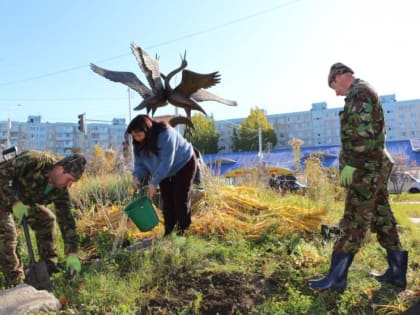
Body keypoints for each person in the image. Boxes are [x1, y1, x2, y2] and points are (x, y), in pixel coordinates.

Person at [308, 63, 408, 291]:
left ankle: (336, 279)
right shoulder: (362, 91)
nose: (335, 92)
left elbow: (362, 135)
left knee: (354, 219)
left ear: (340, 76)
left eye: (333, 86)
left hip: (365, 168)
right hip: (374, 166)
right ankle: (396, 273)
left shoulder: (359, 92)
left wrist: (350, 166)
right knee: (382, 218)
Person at [0, 150, 86, 288]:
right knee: (7, 234)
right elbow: (2, 175)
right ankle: (15, 282)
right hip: (3, 193)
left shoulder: (60, 191)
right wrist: (14, 202)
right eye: (69, 179)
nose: (69, 185)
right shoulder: (35, 160)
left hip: (23, 201)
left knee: (47, 220)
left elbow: (67, 222)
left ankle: (47, 268)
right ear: (59, 169)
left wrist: (72, 253)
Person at [126, 114, 197, 236]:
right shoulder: (138, 143)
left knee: (180, 199)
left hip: (183, 164)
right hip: (163, 170)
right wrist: (136, 176)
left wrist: (154, 183)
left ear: (146, 130)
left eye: (138, 135)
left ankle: (183, 232)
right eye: (133, 136)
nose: (136, 139)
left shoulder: (166, 134)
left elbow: (166, 162)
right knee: (167, 201)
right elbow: (140, 164)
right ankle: (169, 233)